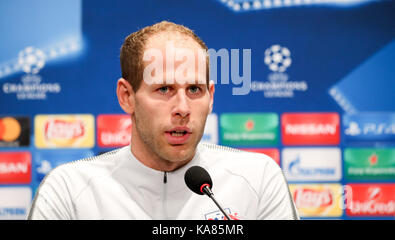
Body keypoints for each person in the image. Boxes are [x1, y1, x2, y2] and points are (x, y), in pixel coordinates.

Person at [28, 21, 299, 220]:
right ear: (127, 97)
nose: (182, 108)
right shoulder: (68, 189)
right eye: (164, 89)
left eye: (194, 90)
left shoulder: (258, 178)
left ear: (211, 96)